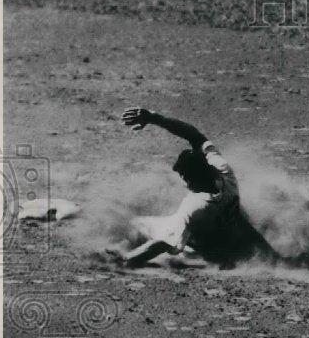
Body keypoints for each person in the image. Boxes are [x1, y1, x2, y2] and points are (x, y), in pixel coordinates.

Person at [110, 107, 279, 268]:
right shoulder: (224, 172)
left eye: (183, 176)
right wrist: (155, 118)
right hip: (237, 239)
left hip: (209, 253)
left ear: (190, 179)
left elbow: (161, 244)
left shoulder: (194, 208)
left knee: (136, 225)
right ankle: (268, 254)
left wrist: (126, 260)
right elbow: (195, 136)